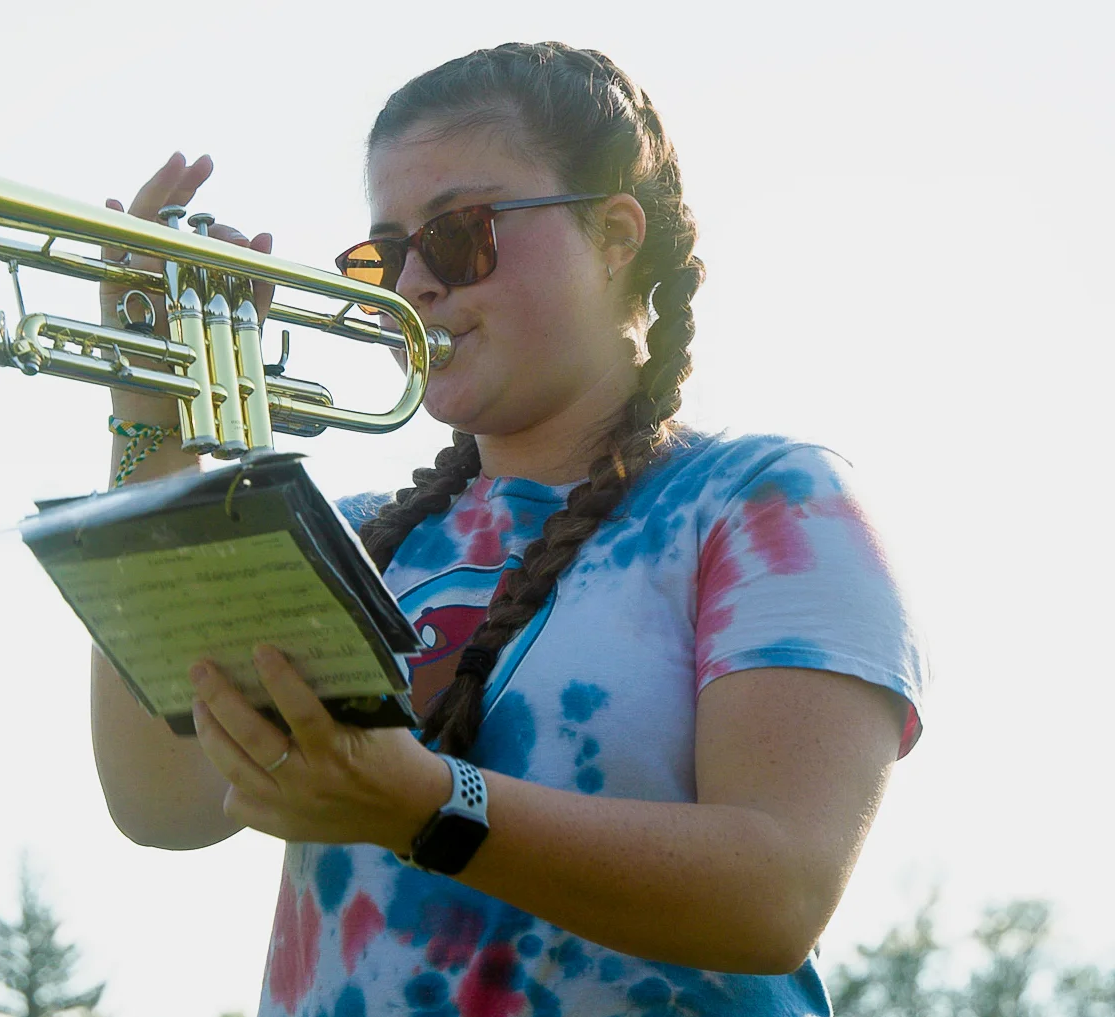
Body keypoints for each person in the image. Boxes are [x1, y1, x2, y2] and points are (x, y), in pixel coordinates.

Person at [90, 41, 926, 1017]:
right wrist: (150, 408)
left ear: (614, 235)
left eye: (456, 235)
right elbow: (162, 802)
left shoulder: (764, 501)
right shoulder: (355, 539)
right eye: (386, 251)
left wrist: (424, 804)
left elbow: (773, 896)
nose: (412, 284)